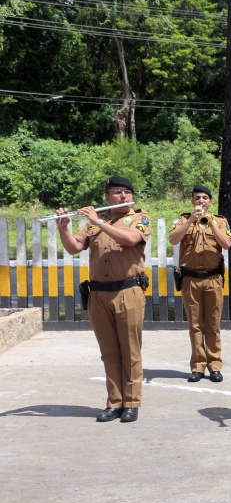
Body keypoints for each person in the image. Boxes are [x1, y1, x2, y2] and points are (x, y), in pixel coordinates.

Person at [56, 176, 151, 423]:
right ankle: (114, 402)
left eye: (127, 192)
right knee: (108, 351)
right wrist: (63, 227)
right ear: (107, 197)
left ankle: (131, 403)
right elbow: (74, 248)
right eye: (118, 192)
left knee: (130, 350)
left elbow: (129, 240)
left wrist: (97, 220)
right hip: (98, 294)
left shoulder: (139, 218)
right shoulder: (93, 224)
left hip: (128, 291)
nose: (124, 196)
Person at [168, 185, 231, 383]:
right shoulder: (182, 220)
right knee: (195, 325)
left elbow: (227, 244)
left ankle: (215, 365)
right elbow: (173, 239)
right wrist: (190, 222)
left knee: (212, 324)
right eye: (197, 197)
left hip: (213, 278)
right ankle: (197, 366)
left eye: (205, 198)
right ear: (192, 201)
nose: (201, 201)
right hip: (190, 279)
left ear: (210, 201)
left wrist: (212, 224)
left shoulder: (221, 221)